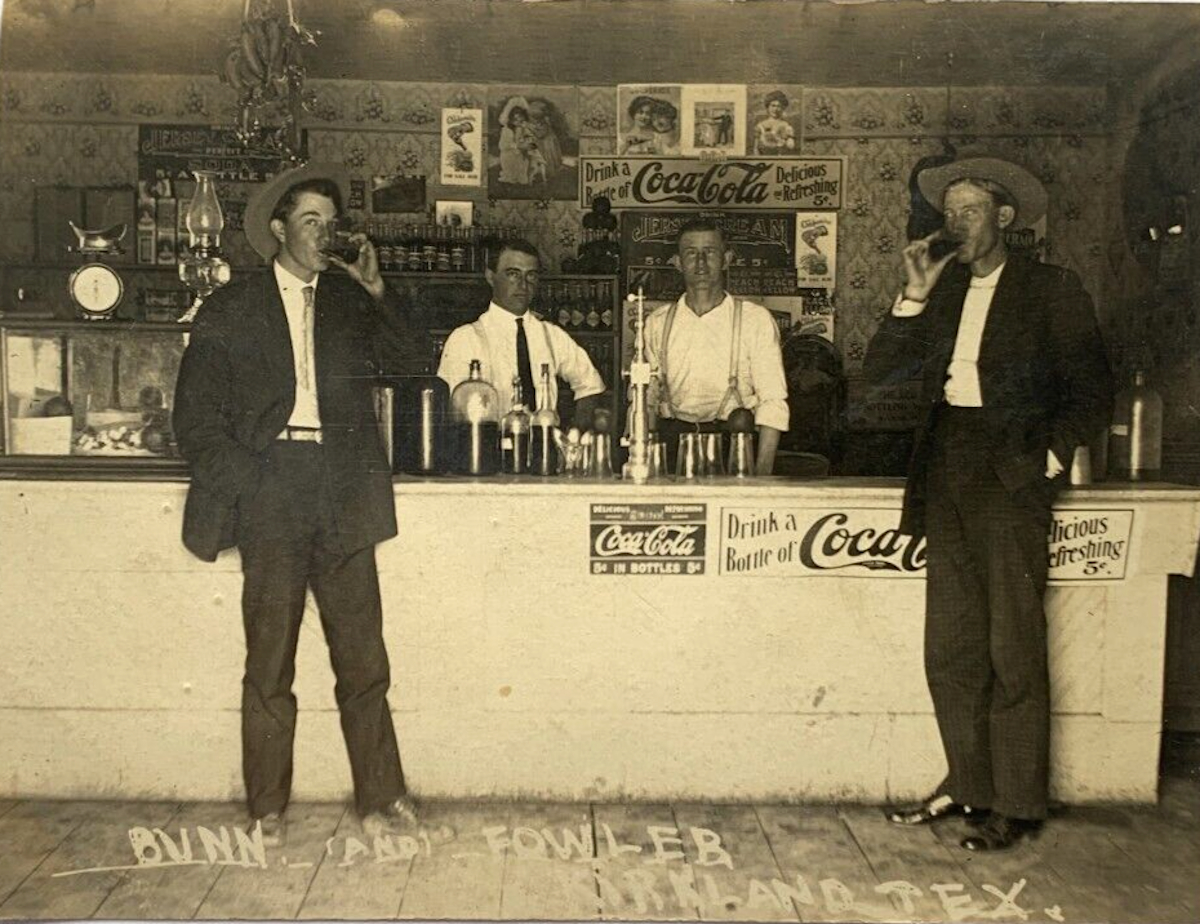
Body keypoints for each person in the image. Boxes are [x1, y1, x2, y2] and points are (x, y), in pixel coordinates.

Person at [173, 162, 451, 849]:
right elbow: (194, 421)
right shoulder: (231, 307)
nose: (325, 235)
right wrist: (251, 481)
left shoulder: (352, 298)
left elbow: (417, 364)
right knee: (270, 661)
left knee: (363, 659)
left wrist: (378, 286)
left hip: (343, 488)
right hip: (274, 486)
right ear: (277, 231)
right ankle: (266, 804)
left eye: (332, 223)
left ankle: (381, 797)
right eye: (310, 223)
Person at [864, 157, 1113, 851]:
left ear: (1004, 218)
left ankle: (1019, 802)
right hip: (946, 468)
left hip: (1011, 476)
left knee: (1013, 645)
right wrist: (912, 297)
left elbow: (1093, 391)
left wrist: (1049, 458)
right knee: (951, 645)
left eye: (970, 211)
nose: (956, 224)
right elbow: (881, 377)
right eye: (949, 213)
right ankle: (968, 785)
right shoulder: (939, 292)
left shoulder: (1050, 289)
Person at [645, 217, 789, 474]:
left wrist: (761, 475)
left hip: (733, 444)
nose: (700, 264)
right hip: (672, 444)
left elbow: (773, 401)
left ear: (727, 259)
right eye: (691, 254)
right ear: (678, 263)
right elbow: (646, 398)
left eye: (710, 252)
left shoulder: (754, 320)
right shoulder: (657, 322)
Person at [437, 238, 606, 426]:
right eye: (513, 274)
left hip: (542, 447)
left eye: (531, 275)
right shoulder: (465, 339)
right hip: (488, 447)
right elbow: (452, 407)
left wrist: (574, 437)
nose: (523, 284)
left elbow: (591, 385)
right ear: (490, 277)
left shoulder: (551, 335)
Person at [754, 90, 796, 155]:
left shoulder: (786, 126)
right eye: (773, 106)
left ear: (782, 108)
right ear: (768, 107)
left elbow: (791, 147)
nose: (775, 109)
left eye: (778, 106)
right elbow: (756, 149)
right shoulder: (760, 126)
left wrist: (788, 141)